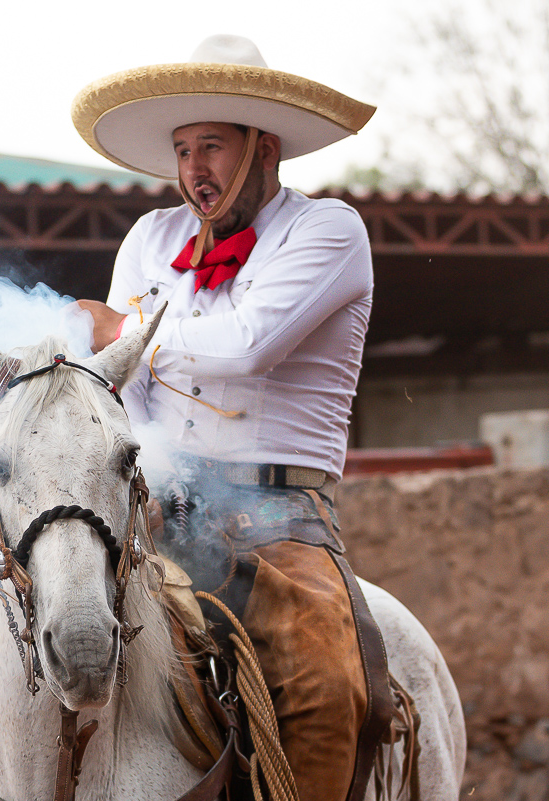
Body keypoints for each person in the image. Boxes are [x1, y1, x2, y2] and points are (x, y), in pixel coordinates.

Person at [70, 35, 392, 801]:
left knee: (325, 690)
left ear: (264, 148)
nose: (193, 170)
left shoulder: (329, 231)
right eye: (183, 150)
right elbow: (129, 391)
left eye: (211, 146)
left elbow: (247, 348)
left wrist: (123, 331)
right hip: (159, 506)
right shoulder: (151, 239)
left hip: (282, 523)